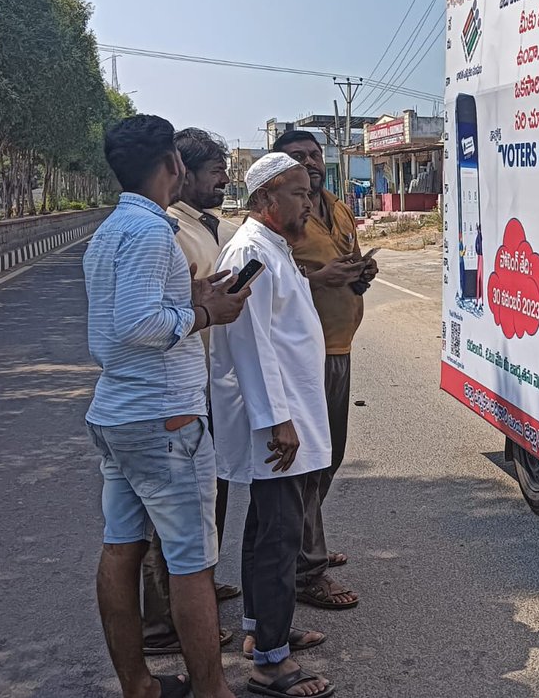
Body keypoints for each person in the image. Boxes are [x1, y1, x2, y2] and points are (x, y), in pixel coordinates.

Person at [84, 114, 250, 698]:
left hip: (120, 413)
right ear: (173, 166)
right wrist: (206, 314)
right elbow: (139, 324)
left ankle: (139, 684)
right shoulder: (153, 232)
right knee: (190, 560)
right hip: (164, 417)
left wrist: (190, 298)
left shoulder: (110, 230)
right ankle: (211, 689)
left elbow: (130, 316)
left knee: (121, 546)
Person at [210, 152, 334, 698]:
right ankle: (270, 666)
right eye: (298, 192)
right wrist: (277, 419)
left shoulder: (273, 246)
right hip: (276, 420)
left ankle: (263, 633)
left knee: (265, 527)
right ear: (265, 199)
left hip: (287, 412)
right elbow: (250, 342)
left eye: (308, 192)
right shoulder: (249, 251)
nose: (308, 201)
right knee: (279, 535)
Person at [141, 128, 242, 657]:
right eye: (214, 173)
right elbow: (158, 315)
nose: (223, 180)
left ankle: (196, 586)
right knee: (174, 511)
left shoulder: (207, 225)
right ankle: (164, 622)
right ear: (182, 173)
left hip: (205, 380)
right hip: (178, 386)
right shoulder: (168, 232)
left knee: (209, 495)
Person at [271, 130, 376, 613]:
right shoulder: (281, 221)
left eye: (314, 155)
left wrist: (358, 276)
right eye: (298, 157)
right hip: (306, 356)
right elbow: (274, 287)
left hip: (340, 348)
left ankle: (307, 540)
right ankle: (305, 568)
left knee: (328, 458)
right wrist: (320, 279)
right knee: (309, 462)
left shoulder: (335, 206)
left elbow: (343, 263)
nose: (310, 163)